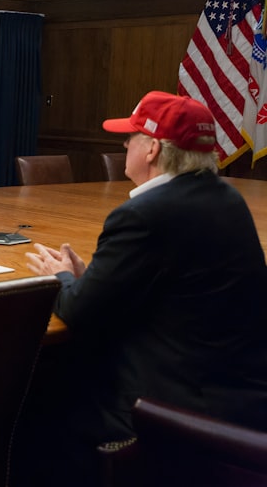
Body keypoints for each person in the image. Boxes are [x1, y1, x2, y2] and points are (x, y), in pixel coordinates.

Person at [16, 91, 267, 486]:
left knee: (31, 402)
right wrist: (92, 281)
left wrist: (63, 277)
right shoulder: (227, 199)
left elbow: (77, 312)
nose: (123, 145)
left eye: (130, 137)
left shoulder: (143, 214)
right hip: (238, 394)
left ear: (151, 149)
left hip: (168, 406)